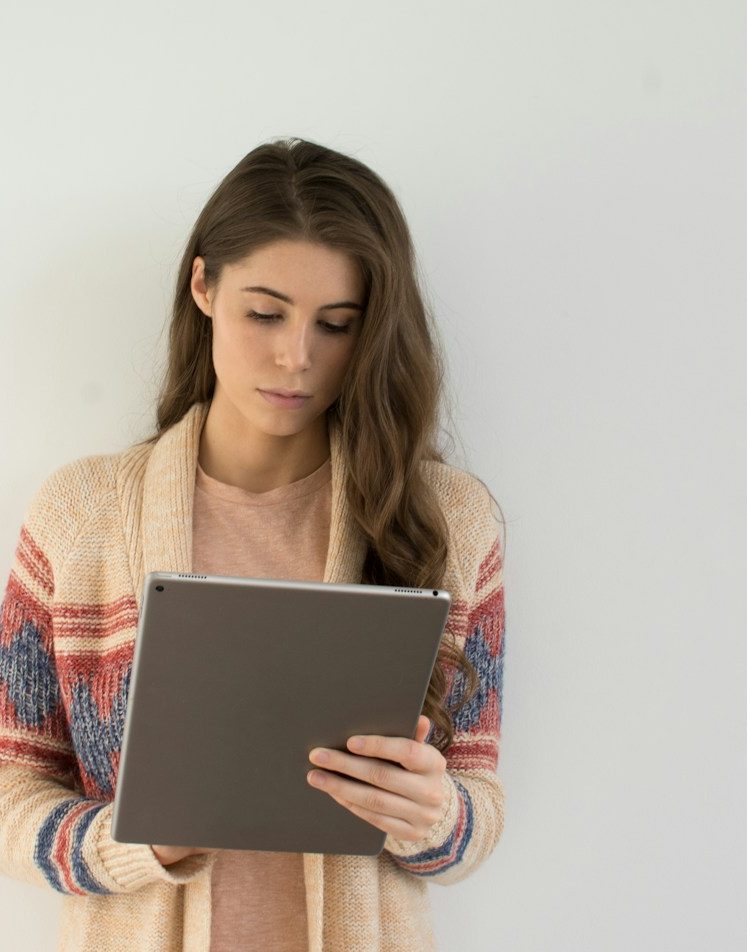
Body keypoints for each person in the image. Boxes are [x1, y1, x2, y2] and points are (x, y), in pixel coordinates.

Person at [0, 137, 507, 952]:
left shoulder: (448, 520)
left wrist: (438, 815)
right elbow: (10, 792)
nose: (295, 357)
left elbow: (476, 810)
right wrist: (142, 846)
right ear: (203, 286)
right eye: (264, 313)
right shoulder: (79, 516)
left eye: (337, 325)